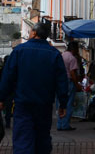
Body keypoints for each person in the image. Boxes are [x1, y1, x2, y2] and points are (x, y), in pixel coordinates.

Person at [0, 22, 69, 154]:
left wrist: (2, 98)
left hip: (23, 103)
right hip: (44, 104)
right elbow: (62, 81)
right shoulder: (54, 54)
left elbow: (8, 76)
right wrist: (63, 103)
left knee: (23, 139)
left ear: (34, 33)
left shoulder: (19, 51)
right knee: (42, 139)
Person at [57, 40, 81, 131]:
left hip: (60, 81)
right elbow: (72, 73)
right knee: (68, 103)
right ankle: (65, 125)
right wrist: (77, 84)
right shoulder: (72, 58)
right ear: (74, 49)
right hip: (69, 81)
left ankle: (60, 124)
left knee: (60, 103)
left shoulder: (61, 56)